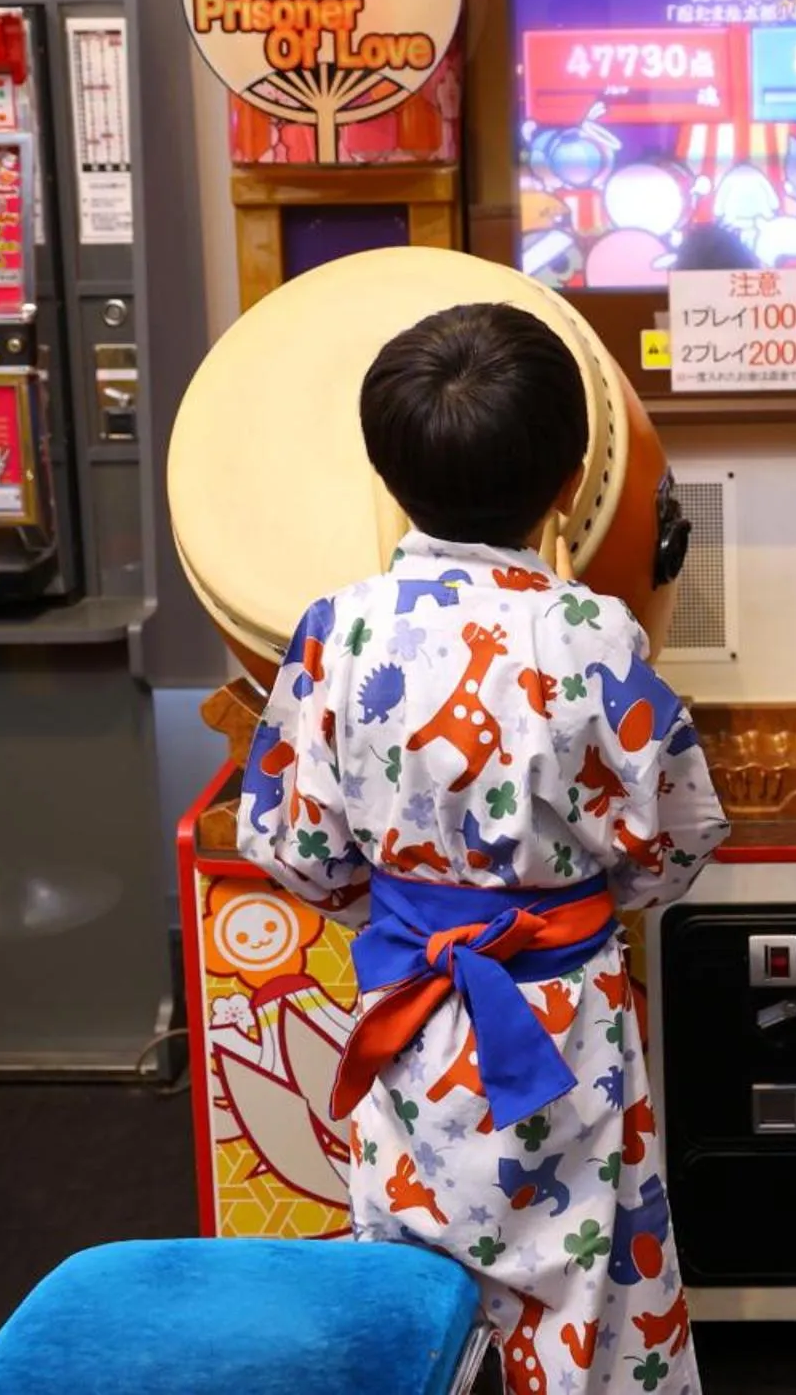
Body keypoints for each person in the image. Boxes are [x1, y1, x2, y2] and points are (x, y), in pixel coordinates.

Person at [240, 302, 727, 1394]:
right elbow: (677, 841)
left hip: (409, 1009)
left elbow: (291, 845)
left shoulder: (334, 631)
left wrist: (404, 907)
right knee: (585, 1281)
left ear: (385, 470)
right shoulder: (593, 633)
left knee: (413, 1290)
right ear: (571, 477)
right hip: (568, 1015)